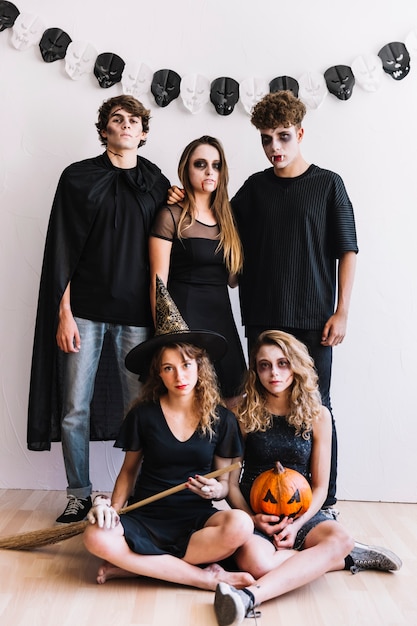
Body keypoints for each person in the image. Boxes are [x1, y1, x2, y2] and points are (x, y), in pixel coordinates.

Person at [168, 90, 359, 510]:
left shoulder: (328, 184)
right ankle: (261, 497)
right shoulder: (254, 188)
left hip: (314, 319)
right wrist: (186, 198)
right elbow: (215, 220)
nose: (275, 147)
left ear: (301, 134)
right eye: (267, 139)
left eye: (283, 137)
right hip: (262, 319)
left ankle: (324, 504)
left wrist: (342, 311)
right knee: (259, 411)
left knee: (317, 408)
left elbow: (348, 249)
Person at [27, 95, 171, 523]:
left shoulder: (158, 183)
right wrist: (63, 312)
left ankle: (140, 494)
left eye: (134, 121)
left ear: (143, 133)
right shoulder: (78, 178)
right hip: (84, 311)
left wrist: (179, 199)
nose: (125, 126)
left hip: (137, 318)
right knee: (75, 407)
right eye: (116, 119)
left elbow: (171, 239)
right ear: (104, 130)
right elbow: (61, 250)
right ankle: (78, 494)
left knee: (141, 408)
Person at [213, 330, 402, 626]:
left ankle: (249, 597)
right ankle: (343, 558)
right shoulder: (243, 412)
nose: (273, 372)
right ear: (256, 370)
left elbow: (320, 486)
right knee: (258, 564)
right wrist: (252, 518)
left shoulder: (318, 415)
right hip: (257, 510)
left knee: (341, 537)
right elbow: (232, 484)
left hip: (302, 510)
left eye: (283, 363)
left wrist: (299, 524)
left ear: (296, 366)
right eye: (264, 365)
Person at [83, 276, 255, 591]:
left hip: (196, 518)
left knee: (241, 525)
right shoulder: (143, 414)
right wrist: (111, 511)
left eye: (187, 365)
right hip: (146, 513)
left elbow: (224, 483)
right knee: (95, 536)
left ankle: (137, 567)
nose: (180, 376)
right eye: (168, 368)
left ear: (201, 367)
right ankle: (204, 577)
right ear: (158, 373)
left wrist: (214, 492)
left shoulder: (222, 419)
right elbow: (128, 473)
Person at [149, 136, 246, 408]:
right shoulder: (170, 216)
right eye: (200, 164)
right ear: (186, 170)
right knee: (190, 403)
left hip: (222, 320)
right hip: (184, 322)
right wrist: (165, 337)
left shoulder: (229, 219)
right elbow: (158, 283)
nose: (209, 171)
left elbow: (233, 280)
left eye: (216, 165)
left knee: (233, 400)